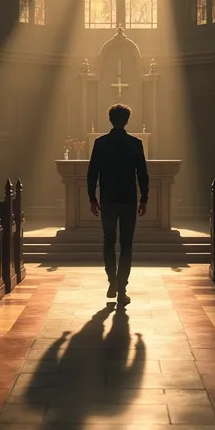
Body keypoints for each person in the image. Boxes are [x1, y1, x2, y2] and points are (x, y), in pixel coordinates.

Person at [87, 103, 149, 305]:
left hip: (108, 198)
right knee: (126, 244)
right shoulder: (135, 143)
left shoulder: (100, 143)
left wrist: (92, 198)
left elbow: (92, 172)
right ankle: (122, 289)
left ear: (110, 119)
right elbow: (142, 173)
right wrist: (144, 198)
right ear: (127, 120)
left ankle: (112, 281)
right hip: (128, 199)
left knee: (108, 240)